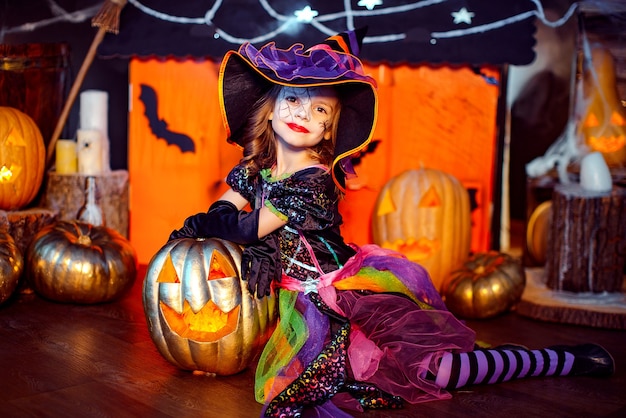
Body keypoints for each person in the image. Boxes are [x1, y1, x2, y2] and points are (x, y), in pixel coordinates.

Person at [169, 29, 614, 418]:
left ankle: (560, 358)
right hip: (299, 304)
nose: (303, 113)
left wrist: (203, 223)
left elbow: (246, 229)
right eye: (293, 99)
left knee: (433, 371)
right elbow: (226, 206)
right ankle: (517, 358)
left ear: (329, 133)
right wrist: (213, 218)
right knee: (391, 371)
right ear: (269, 110)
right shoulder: (257, 168)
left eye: (321, 111)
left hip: (342, 297)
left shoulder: (312, 182)